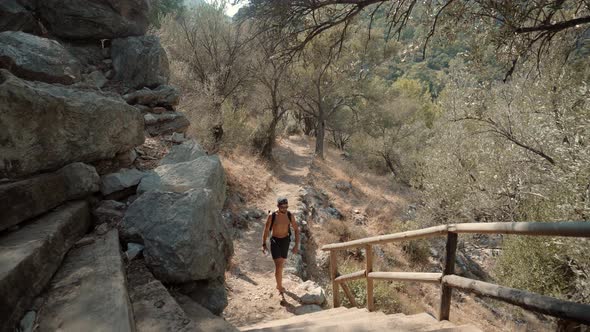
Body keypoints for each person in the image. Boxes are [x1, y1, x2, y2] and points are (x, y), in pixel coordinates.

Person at [262, 197, 300, 295]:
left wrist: (296, 245)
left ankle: (279, 283)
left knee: (281, 264)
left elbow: (296, 229)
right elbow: (266, 230)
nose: (285, 209)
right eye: (282, 207)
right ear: (278, 206)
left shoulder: (289, 215)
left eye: (286, 207)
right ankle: (279, 286)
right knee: (278, 265)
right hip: (275, 240)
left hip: (285, 241)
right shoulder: (272, 216)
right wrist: (264, 244)